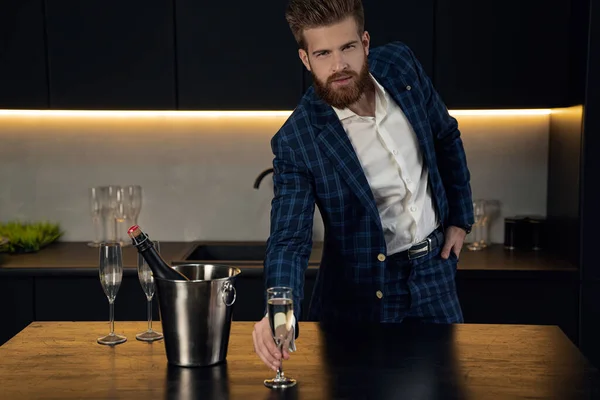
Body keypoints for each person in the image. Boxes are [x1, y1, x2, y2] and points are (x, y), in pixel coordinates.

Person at [252, 0, 474, 372]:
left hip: (435, 272)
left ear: (366, 43)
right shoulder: (298, 139)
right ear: (306, 60)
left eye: (347, 48)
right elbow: (290, 239)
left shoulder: (401, 65)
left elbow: (445, 136)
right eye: (323, 53)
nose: (338, 65)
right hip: (360, 296)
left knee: (448, 384)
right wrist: (280, 307)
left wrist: (460, 217)